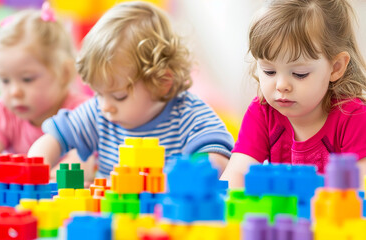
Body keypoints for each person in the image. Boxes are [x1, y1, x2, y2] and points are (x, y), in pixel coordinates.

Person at [28, 1, 234, 179]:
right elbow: (53, 138)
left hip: (170, 217)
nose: (105, 106)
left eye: (119, 96)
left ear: (162, 82)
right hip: (115, 217)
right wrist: (37, 167)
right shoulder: (97, 113)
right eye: (98, 94)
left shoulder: (188, 114)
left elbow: (217, 157)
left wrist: (188, 178)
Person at [221, 0, 366, 188]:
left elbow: (360, 189)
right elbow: (238, 172)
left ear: (335, 67)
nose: (281, 86)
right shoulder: (262, 113)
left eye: (299, 74)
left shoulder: (353, 117)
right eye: (269, 71)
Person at [0, 3, 94, 181]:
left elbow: (80, 170)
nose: (14, 92)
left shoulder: (80, 112)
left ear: (64, 73)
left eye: (27, 79)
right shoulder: (3, 112)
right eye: (5, 80)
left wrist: (38, 179)